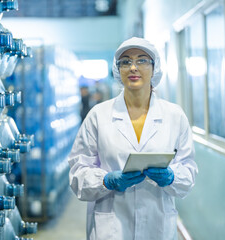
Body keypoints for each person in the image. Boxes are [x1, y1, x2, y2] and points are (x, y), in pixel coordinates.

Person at [68, 37, 198, 240]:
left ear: (155, 68)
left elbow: (188, 170)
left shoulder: (174, 115)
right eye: (125, 62)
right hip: (111, 228)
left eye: (142, 60)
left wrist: (172, 176)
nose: (133, 67)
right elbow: (77, 173)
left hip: (157, 226)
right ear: (117, 70)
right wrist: (106, 180)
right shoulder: (98, 115)